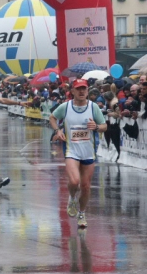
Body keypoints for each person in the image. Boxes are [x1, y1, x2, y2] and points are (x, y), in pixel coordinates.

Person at [49, 79, 107, 228]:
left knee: (86, 186)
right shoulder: (66, 107)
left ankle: (82, 213)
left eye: (84, 89)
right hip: (71, 150)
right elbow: (52, 117)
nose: (81, 92)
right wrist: (58, 130)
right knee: (75, 182)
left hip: (88, 151)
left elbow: (104, 126)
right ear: (72, 91)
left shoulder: (93, 107)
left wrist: (96, 127)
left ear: (87, 91)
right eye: (78, 89)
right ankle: (72, 197)